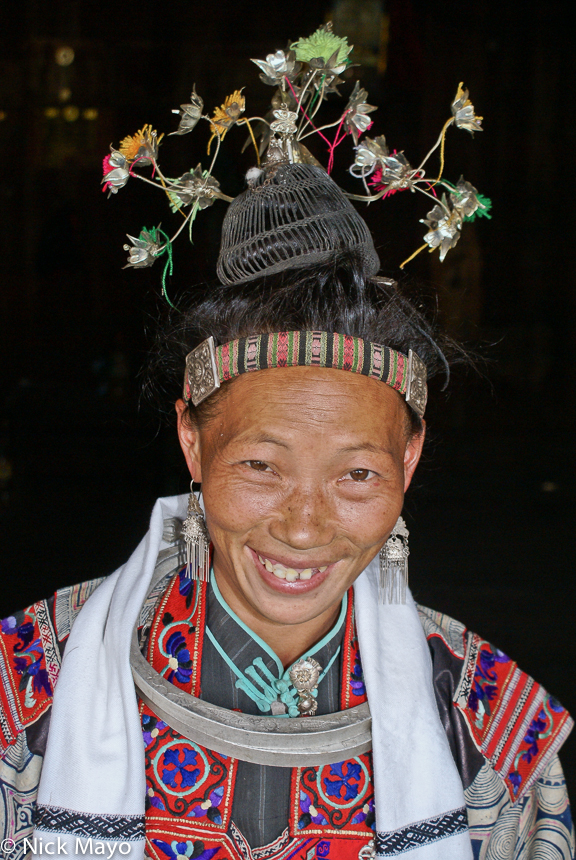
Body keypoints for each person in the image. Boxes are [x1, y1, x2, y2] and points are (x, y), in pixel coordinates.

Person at [0, 26, 573, 860]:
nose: (304, 529)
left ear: (410, 461)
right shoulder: (26, 691)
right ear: (192, 444)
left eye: (357, 475)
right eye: (261, 466)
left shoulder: (489, 726)